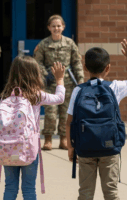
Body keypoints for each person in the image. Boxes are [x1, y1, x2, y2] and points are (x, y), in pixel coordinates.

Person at [66, 39, 127, 200]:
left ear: (85, 67)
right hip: (110, 148)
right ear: (107, 68)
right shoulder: (115, 87)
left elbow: (69, 121)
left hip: (85, 147)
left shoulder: (78, 91)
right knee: (111, 192)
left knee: (85, 193)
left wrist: (70, 147)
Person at [0, 56, 66, 200]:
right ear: (34, 74)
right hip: (29, 148)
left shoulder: (5, 95)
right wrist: (59, 80)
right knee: (29, 188)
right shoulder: (36, 95)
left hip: (8, 147)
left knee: (10, 187)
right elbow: (60, 98)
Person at [34, 14, 84, 150]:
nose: (56, 28)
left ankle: (64, 139)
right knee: (50, 113)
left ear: (63, 27)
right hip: (50, 84)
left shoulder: (69, 43)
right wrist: (46, 74)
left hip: (67, 83)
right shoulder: (43, 44)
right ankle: (48, 139)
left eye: (58, 26)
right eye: (53, 26)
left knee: (65, 114)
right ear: (49, 28)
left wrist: (80, 81)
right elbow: (37, 63)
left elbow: (77, 62)